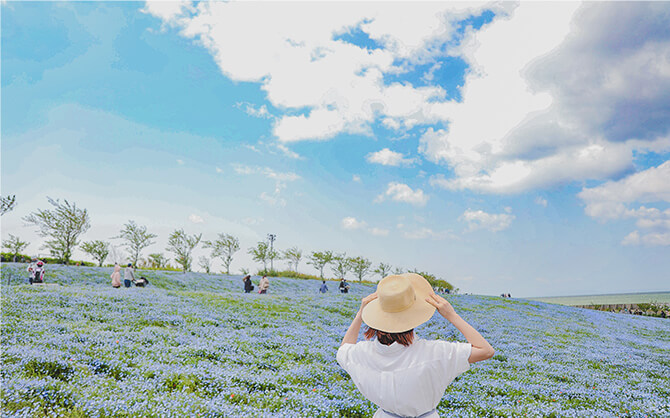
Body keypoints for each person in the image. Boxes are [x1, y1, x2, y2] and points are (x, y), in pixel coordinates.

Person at [337, 273, 495, 418]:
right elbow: (486, 350)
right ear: (413, 318)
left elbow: (344, 349)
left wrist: (359, 315)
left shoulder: (361, 354)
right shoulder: (435, 353)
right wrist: (451, 315)